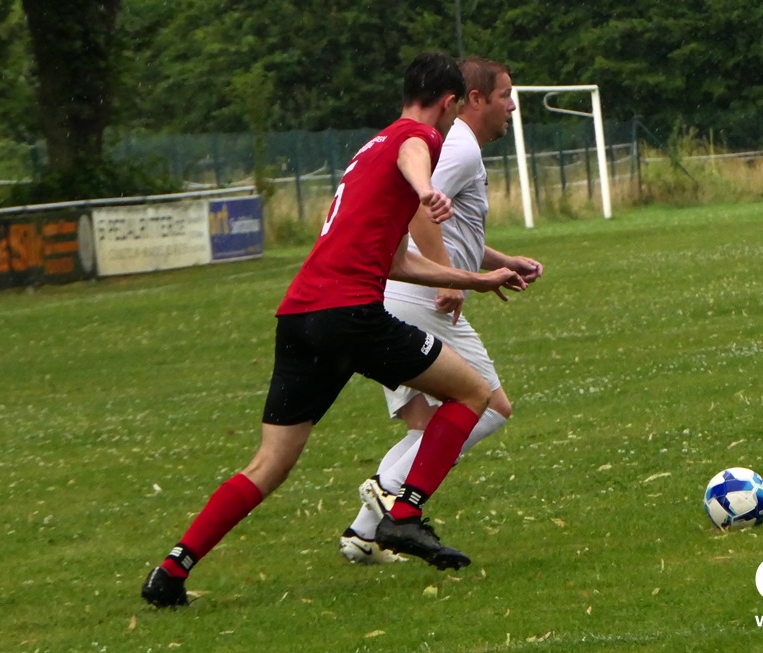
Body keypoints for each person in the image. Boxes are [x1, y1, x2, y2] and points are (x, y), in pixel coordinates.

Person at [141, 51, 529, 608]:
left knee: (270, 463)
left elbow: (396, 260)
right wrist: (425, 189)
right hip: (351, 316)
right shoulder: (418, 138)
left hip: (299, 316)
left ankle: (171, 570)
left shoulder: (368, 150)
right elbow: (415, 153)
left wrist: (477, 278)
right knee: (474, 393)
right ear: (448, 102)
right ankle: (403, 514)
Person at [339, 57, 543, 565]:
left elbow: (448, 225)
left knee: (430, 425)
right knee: (489, 406)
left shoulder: (458, 145)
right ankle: (389, 491)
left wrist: (495, 262)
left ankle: (363, 536)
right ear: (474, 99)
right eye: (505, 95)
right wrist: (451, 276)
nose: (512, 106)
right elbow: (416, 209)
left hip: (400, 294)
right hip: (418, 298)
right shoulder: (461, 147)